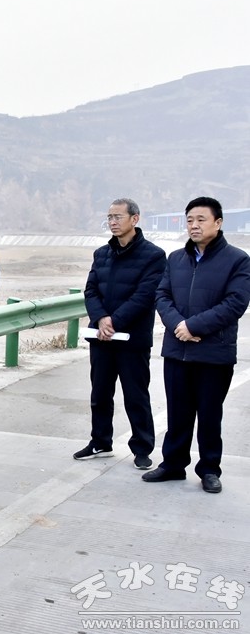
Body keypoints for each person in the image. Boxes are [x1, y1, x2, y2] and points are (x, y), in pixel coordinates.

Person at [142, 197, 250, 493]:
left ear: (218, 222)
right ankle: (173, 464)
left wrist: (194, 326)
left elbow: (235, 303)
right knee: (177, 412)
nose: (194, 225)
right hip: (177, 350)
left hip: (214, 353)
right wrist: (179, 325)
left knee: (210, 414)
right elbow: (162, 295)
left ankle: (209, 469)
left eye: (201, 219)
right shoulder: (176, 258)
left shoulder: (238, 260)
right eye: (190, 220)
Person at [75, 199, 166, 470]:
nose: (112, 222)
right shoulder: (101, 253)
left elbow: (145, 295)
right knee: (100, 394)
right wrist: (102, 319)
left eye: (118, 217)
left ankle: (142, 448)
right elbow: (91, 290)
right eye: (109, 217)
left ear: (135, 219)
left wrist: (114, 321)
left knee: (136, 395)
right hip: (102, 338)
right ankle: (100, 442)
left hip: (132, 339)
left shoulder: (154, 255)